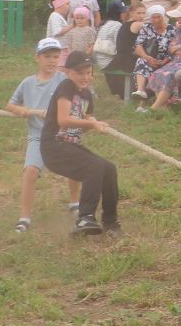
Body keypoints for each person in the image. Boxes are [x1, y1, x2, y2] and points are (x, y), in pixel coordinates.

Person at [41, 51, 121, 236]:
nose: (85, 77)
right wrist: (91, 123)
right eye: (80, 73)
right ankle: (85, 217)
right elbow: (63, 120)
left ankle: (110, 222)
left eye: (88, 72)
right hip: (53, 147)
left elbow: (84, 123)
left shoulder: (86, 95)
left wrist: (92, 122)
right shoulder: (66, 87)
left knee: (109, 168)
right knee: (94, 166)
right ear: (68, 72)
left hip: (70, 147)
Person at [8, 39, 75, 233]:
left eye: (56, 57)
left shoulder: (63, 80)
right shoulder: (28, 83)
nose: (52, 61)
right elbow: (10, 105)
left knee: (75, 167)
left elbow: (76, 99)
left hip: (62, 133)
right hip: (38, 136)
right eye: (47, 56)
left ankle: (75, 203)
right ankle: (24, 217)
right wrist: (24, 110)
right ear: (37, 58)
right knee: (30, 171)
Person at [146, 3, 181, 109]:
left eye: (180, 16)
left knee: (168, 74)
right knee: (157, 73)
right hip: (177, 60)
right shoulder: (180, 28)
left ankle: (154, 108)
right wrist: (178, 47)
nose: (177, 18)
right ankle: (163, 106)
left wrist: (178, 48)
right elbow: (171, 46)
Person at [130, 4, 176, 104]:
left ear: (163, 17)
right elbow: (138, 45)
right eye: (153, 17)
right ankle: (141, 91)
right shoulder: (146, 28)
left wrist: (163, 62)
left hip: (167, 61)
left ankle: (150, 104)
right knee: (141, 61)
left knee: (160, 71)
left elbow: (173, 49)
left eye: (158, 17)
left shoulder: (171, 30)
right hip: (150, 59)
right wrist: (147, 58)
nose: (156, 20)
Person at [96, 0, 136, 100]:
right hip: (109, 61)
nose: (125, 13)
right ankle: (134, 91)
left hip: (101, 60)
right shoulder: (117, 25)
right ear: (116, 13)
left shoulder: (104, 24)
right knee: (134, 59)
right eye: (122, 12)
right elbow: (120, 48)